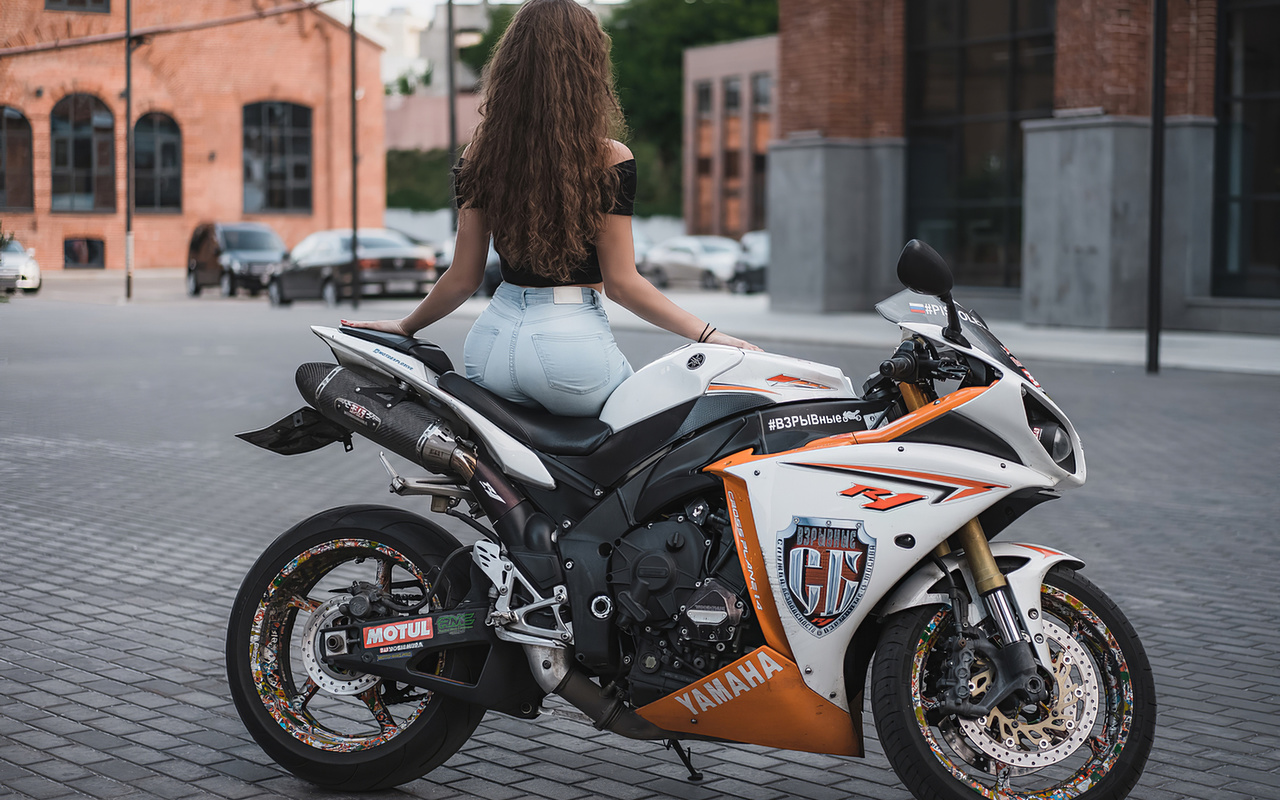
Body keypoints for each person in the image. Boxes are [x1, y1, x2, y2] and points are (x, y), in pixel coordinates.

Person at [342, 0, 758, 417]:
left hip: (491, 342)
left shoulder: (481, 155)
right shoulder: (608, 158)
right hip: (570, 346)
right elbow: (623, 285)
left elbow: (463, 276)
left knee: (519, 472)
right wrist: (709, 335)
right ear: (588, 67)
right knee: (638, 446)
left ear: (510, 67)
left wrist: (406, 325)